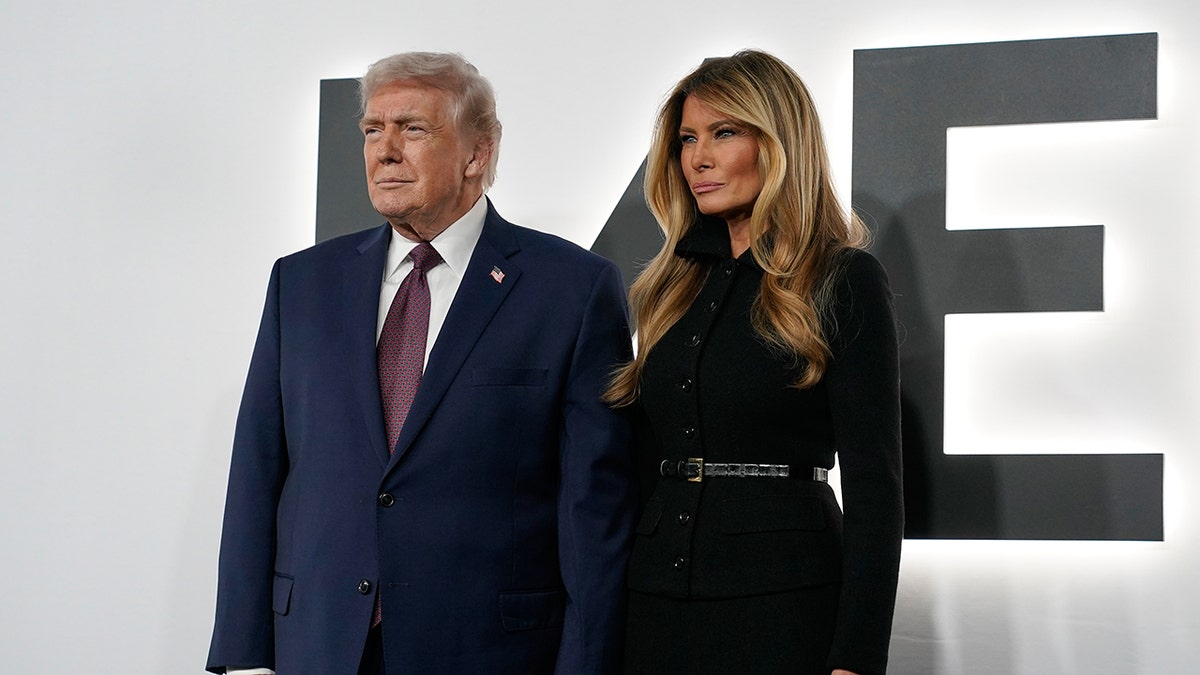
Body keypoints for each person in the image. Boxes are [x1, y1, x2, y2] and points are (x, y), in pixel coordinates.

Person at [206, 52, 638, 675]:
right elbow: (257, 470)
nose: (384, 151)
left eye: (412, 129)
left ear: (476, 154)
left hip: (491, 651)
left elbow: (593, 510)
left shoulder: (571, 288)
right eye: (372, 131)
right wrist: (241, 655)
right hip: (320, 644)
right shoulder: (301, 282)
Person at [605, 50, 903, 675]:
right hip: (656, 605)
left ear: (777, 143)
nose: (697, 158)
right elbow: (637, 467)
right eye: (687, 138)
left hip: (784, 607)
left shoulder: (841, 277)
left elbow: (876, 488)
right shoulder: (668, 287)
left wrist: (857, 656)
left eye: (724, 133)